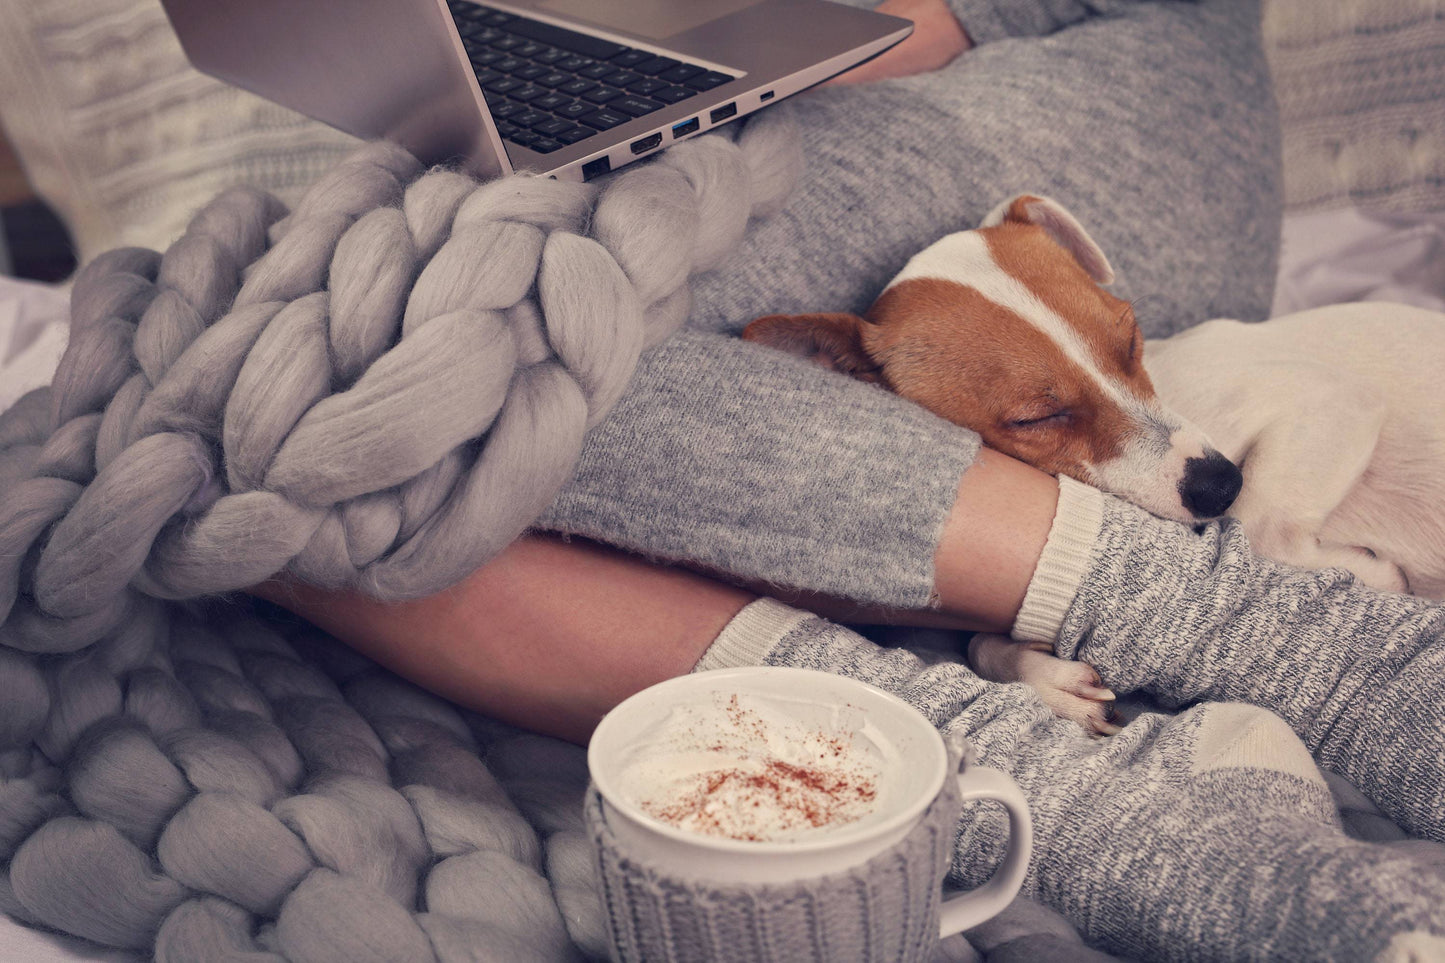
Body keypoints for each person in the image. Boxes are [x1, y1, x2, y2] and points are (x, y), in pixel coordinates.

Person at [259, 0, 1445, 958]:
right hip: (736, 72)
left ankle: (1307, 653)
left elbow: (885, 26)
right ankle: (1044, 774)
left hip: (1063, 40)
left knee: (381, 379)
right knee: (294, 428)